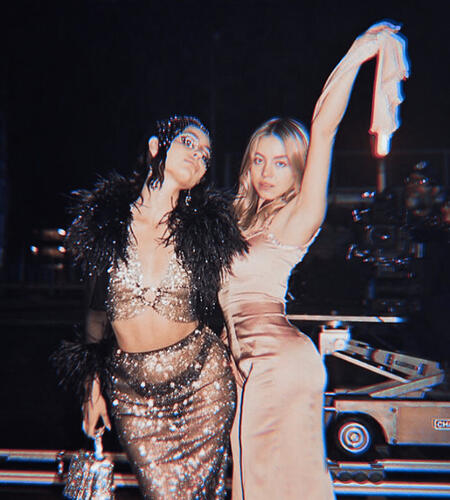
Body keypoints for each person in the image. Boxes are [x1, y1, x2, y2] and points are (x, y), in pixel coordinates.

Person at [218, 24, 408, 499]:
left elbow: (323, 126)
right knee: (257, 479)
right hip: (245, 363)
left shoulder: (299, 216)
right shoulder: (239, 221)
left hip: (278, 362)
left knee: (261, 484)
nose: (266, 172)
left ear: (299, 168)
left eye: (281, 162)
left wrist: (357, 54)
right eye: (259, 160)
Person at [53, 115, 247, 499]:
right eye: (188, 143)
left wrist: (235, 346)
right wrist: (92, 389)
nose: (199, 155)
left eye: (206, 154)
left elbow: (228, 300)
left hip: (203, 386)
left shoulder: (207, 229)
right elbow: (95, 313)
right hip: (133, 397)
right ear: (156, 147)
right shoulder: (106, 223)